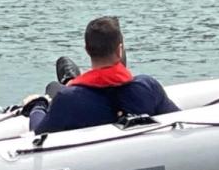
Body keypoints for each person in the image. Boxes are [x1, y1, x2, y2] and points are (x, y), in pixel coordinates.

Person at [20, 16, 179, 133]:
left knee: (54, 88)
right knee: (56, 87)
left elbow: (38, 134)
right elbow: (180, 120)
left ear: (87, 50)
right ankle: (71, 80)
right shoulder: (148, 87)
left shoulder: (67, 100)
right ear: (120, 50)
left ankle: (70, 81)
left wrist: (38, 106)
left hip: (77, 102)